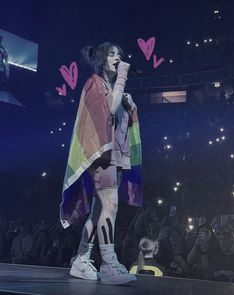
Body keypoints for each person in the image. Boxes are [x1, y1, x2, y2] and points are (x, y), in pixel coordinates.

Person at [60, 42, 142, 285]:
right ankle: (108, 265)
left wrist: (129, 107)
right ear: (101, 58)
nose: (117, 58)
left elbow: (117, 115)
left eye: (120, 54)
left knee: (99, 210)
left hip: (113, 154)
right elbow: (109, 109)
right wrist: (123, 79)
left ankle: (81, 259)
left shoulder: (110, 85)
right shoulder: (94, 83)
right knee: (111, 205)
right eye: (112, 53)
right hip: (102, 155)